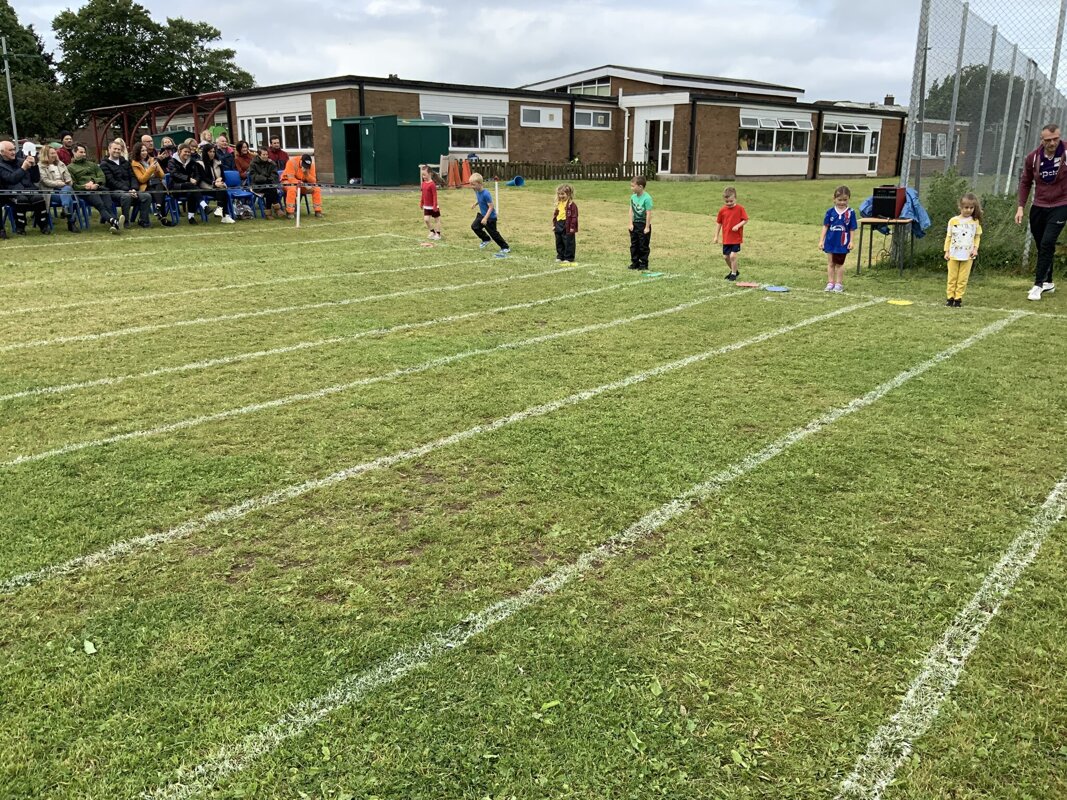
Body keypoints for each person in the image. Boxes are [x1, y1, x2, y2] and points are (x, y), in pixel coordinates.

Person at [1016, 123, 1067, 301]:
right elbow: (1025, 182)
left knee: (1047, 243)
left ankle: (1038, 285)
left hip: (1061, 204)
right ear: (1042, 140)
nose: (1053, 143)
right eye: (1048, 140)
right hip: (1039, 206)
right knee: (1042, 245)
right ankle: (1049, 282)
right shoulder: (1033, 158)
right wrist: (1021, 206)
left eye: (1056, 139)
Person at [66, 143, 123, 234]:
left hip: (99, 188)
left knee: (108, 204)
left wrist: (94, 182)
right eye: (81, 152)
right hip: (85, 192)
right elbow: (73, 185)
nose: (84, 154)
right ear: (74, 152)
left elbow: (102, 177)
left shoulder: (92, 165)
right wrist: (85, 186)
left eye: (84, 152)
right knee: (100, 205)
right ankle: (114, 221)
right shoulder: (70, 168)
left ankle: (114, 222)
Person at [0, 140, 50, 234]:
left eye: (14, 149)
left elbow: (36, 179)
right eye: (10, 150)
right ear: (2, 152)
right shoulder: (1, 166)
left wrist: (34, 166)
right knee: (21, 199)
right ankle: (20, 227)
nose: (13, 152)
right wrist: (23, 169)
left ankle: (44, 226)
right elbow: (11, 179)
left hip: (30, 190)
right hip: (12, 193)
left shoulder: (22, 161)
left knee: (38, 198)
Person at [100, 140, 153, 228]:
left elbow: (133, 177)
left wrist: (134, 189)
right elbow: (111, 181)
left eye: (119, 149)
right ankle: (125, 221)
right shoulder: (104, 164)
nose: (117, 151)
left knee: (146, 196)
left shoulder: (126, 162)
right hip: (114, 191)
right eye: (115, 149)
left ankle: (143, 220)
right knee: (126, 196)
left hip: (131, 190)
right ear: (109, 149)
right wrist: (128, 190)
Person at [944, 192, 983, 308]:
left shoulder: (975, 222)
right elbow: (949, 237)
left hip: (967, 255)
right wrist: (947, 251)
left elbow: (977, 236)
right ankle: (950, 297)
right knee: (952, 277)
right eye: (966, 207)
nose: (969, 210)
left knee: (963, 278)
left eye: (971, 208)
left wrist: (975, 249)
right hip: (953, 254)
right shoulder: (953, 221)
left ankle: (958, 298)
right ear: (960, 207)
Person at [819, 185, 856, 293]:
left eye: (845, 200)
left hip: (842, 243)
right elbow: (825, 226)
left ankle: (839, 284)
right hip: (830, 241)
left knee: (839, 263)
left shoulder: (850, 212)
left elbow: (852, 228)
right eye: (839, 200)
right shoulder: (830, 212)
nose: (842, 202)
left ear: (849, 199)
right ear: (834, 199)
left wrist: (851, 241)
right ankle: (830, 282)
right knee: (831, 263)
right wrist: (821, 240)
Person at [131, 141, 176, 227]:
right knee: (159, 191)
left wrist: (157, 169)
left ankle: (158, 208)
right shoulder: (135, 164)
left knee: (160, 184)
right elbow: (142, 179)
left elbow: (162, 176)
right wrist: (151, 169)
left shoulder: (152, 159)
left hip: (156, 184)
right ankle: (162, 217)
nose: (145, 153)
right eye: (142, 151)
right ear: (137, 152)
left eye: (145, 150)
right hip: (145, 186)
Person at [37, 144, 79, 232]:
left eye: (55, 153)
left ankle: (65, 208)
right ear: (45, 155)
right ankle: (71, 223)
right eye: (51, 153)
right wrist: (58, 184)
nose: (54, 155)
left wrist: (68, 182)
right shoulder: (40, 166)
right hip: (50, 191)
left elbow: (69, 178)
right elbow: (44, 181)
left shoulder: (61, 164)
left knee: (67, 190)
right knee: (68, 197)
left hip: (64, 188)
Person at [469, 172, 509, 257]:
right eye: (471, 184)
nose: (472, 187)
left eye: (473, 185)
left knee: (494, 234)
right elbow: (479, 199)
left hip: (490, 217)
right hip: (482, 215)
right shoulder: (477, 191)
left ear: (480, 184)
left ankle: (505, 247)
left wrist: (485, 218)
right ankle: (485, 239)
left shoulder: (486, 194)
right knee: (474, 226)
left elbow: (491, 207)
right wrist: (475, 204)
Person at [714, 186, 748, 280]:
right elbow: (719, 223)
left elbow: (745, 219)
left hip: (736, 238)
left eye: (731, 201)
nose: (729, 203)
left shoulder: (740, 208)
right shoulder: (722, 210)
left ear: (735, 198)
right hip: (726, 238)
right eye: (727, 201)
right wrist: (716, 236)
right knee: (726, 257)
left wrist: (738, 226)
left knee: (733, 256)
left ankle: (733, 274)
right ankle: (735, 271)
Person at [198, 144, 236, 223]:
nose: (212, 153)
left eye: (213, 152)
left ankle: (221, 210)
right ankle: (225, 215)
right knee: (222, 191)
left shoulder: (218, 163)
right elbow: (203, 178)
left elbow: (223, 176)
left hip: (218, 186)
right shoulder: (199, 164)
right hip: (205, 187)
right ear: (205, 152)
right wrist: (214, 183)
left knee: (223, 190)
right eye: (210, 152)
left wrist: (220, 181)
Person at [282, 152, 323, 218]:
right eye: (304, 165)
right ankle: (290, 212)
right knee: (292, 189)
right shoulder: (291, 162)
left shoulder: (311, 165)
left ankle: (318, 211)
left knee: (317, 189)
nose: (305, 167)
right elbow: (291, 178)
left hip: (303, 184)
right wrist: (304, 185)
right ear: (301, 161)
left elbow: (313, 181)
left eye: (307, 166)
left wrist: (307, 175)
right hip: (287, 182)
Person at [248, 146, 284, 218]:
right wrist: (265, 179)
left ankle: (268, 212)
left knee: (270, 189)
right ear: (259, 155)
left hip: (270, 185)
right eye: (263, 155)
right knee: (271, 189)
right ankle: (277, 208)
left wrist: (269, 180)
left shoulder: (271, 163)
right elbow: (254, 177)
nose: (265, 156)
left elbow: (275, 175)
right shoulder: (253, 164)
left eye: (267, 154)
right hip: (258, 186)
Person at [628, 174, 653, 270]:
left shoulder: (647, 198)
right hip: (635, 224)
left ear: (640, 187)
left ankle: (643, 263)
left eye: (633, 186)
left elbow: (648, 213)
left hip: (643, 225)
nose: (631, 188)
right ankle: (635, 262)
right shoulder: (633, 197)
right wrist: (630, 223)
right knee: (634, 244)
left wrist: (647, 227)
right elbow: (631, 210)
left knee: (643, 245)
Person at [552, 182, 578, 262]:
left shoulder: (572, 205)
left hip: (567, 225)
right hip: (559, 224)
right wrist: (554, 225)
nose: (561, 196)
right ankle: (560, 256)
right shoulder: (558, 204)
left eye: (563, 194)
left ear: (568, 194)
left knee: (568, 241)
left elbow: (574, 217)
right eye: (559, 194)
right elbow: (555, 215)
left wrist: (572, 227)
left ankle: (569, 257)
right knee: (559, 241)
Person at [420, 163, 441, 239]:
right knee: (426, 220)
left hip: (433, 206)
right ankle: (432, 231)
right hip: (426, 206)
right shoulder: (423, 184)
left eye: (424, 175)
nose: (423, 177)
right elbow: (423, 194)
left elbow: (435, 196)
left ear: (430, 174)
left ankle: (438, 234)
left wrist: (435, 205)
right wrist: (421, 202)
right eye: (422, 175)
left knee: (437, 220)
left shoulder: (432, 185)